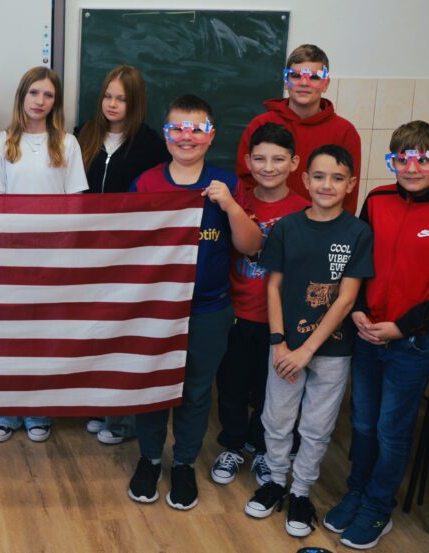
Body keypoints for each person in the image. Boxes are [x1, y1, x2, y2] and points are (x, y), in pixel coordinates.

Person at [325, 121, 429, 550]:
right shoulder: (376, 200)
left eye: (423, 159)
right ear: (390, 161)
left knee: (392, 429)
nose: (411, 167)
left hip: (413, 341)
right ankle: (357, 491)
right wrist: (356, 308)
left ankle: (378, 504)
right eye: (401, 159)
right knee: (363, 422)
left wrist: (404, 326)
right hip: (367, 331)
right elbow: (358, 260)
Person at [127, 94, 262, 510]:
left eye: (196, 129)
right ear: (165, 134)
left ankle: (184, 462)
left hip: (208, 309)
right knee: (153, 388)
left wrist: (231, 206)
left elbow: (251, 246)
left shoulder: (227, 184)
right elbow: (127, 245)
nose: (186, 137)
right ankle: (150, 458)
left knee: (197, 391)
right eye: (177, 129)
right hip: (156, 309)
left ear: (211, 135)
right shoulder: (146, 183)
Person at [243, 145, 373, 538]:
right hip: (285, 347)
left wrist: (307, 350)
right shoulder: (287, 227)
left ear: (350, 184)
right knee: (277, 418)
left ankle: (300, 491)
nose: (327, 185)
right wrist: (279, 342)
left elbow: (346, 298)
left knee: (316, 426)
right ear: (305, 179)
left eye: (337, 178)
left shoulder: (358, 232)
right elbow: (274, 287)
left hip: (331, 351)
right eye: (319, 176)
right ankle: (274, 481)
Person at [0, 66, 88, 443]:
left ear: (56, 102)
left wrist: (62, 253)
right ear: (22, 96)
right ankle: (4, 411)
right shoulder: (2, 141)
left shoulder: (67, 144)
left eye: (48, 95)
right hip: (11, 256)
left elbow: (75, 203)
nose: (40, 101)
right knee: (8, 334)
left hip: (52, 257)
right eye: (34, 93)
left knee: (44, 334)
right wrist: (6, 251)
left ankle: (39, 410)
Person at [75, 63, 170, 444]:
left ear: (136, 103)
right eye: (108, 96)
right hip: (85, 251)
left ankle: (123, 418)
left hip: (127, 255)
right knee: (92, 330)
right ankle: (97, 405)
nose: (112, 104)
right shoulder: (81, 134)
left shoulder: (150, 145)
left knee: (122, 333)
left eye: (122, 99)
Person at [211, 123, 309, 486]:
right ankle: (233, 444)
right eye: (260, 159)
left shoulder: (305, 209)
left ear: (294, 163)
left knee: (272, 390)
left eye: (278, 159)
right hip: (236, 313)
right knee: (232, 386)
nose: (269, 167)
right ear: (248, 161)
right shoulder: (236, 200)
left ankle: (264, 448)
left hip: (280, 321)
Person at [234, 44, 362, 213]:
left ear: (325, 83)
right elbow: (245, 185)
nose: (304, 83)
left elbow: (348, 195)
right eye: (295, 76)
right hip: (262, 223)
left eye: (314, 77)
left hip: (321, 224)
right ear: (286, 82)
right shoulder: (260, 125)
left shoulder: (345, 132)